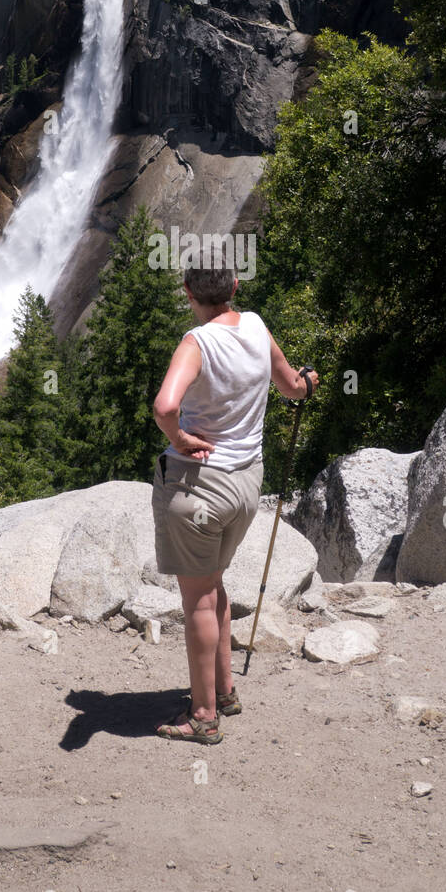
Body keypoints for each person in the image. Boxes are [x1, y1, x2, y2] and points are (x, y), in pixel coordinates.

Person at [151, 264, 318, 744]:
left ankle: (203, 716)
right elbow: (292, 387)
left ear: (188, 294)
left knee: (198, 599)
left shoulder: (196, 343)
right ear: (235, 289)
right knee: (214, 586)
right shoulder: (257, 326)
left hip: (198, 486)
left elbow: (165, 406)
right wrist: (310, 381)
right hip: (246, 485)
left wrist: (180, 437)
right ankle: (224, 690)